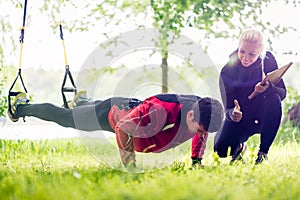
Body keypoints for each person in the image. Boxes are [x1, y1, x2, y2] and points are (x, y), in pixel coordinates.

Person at [8, 92, 224, 168]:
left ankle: (83, 102)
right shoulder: (160, 111)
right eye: (200, 129)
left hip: (132, 110)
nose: (200, 135)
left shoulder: (200, 111)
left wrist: (196, 161)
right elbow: (122, 128)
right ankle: (21, 107)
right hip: (114, 114)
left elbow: (200, 133)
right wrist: (129, 165)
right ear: (190, 116)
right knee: (67, 119)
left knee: (88, 110)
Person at [214, 29, 287, 164]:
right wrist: (232, 113)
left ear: (260, 52)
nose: (246, 57)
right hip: (241, 118)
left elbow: (283, 93)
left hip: (263, 115)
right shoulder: (227, 70)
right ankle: (240, 148)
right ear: (238, 47)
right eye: (242, 52)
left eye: (252, 54)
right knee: (221, 149)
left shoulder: (268, 60)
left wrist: (268, 88)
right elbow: (228, 108)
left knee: (274, 98)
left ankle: (262, 153)